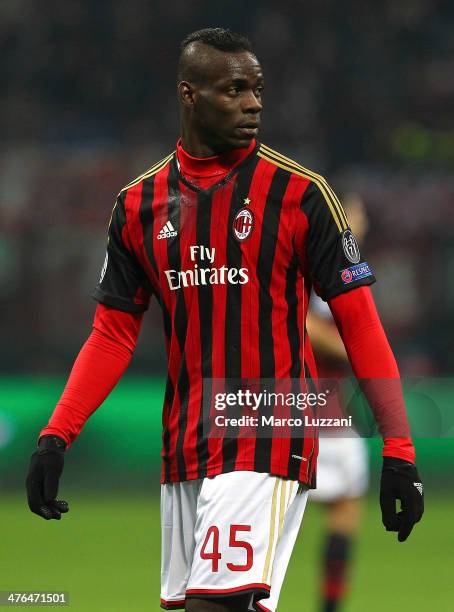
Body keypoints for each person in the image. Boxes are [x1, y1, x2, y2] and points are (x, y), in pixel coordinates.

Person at [26, 28, 424, 612]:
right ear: (190, 95)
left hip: (267, 432)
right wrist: (56, 435)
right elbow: (111, 334)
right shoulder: (137, 205)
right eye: (235, 89)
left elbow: (361, 325)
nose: (254, 102)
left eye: (257, 89)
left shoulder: (300, 194)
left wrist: (400, 448)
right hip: (184, 442)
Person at [306, 194, 370, 612]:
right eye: (354, 211)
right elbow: (300, 321)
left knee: (347, 510)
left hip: (330, 416)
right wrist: (354, 347)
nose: (361, 221)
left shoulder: (349, 266)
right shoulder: (316, 264)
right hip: (301, 414)